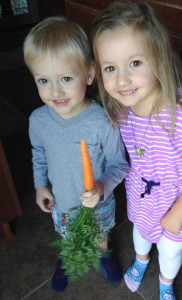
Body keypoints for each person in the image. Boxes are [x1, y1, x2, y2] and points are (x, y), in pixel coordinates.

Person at [91, 2, 182, 299]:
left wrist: (177, 214)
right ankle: (141, 260)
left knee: (171, 249)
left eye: (134, 63)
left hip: (179, 199)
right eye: (111, 68)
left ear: (159, 58)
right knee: (140, 234)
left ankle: (165, 281)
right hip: (142, 195)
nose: (122, 79)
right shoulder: (121, 110)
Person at [23, 16, 129, 292]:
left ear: (90, 74)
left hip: (99, 204)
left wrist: (101, 186)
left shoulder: (104, 122)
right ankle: (68, 258)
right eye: (43, 80)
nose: (55, 91)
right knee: (68, 238)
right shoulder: (38, 120)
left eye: (66, 78)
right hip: (61, 202)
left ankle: (104, 256)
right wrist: (40, 184)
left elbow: (119, 165)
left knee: (99, 237)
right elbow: (38, 154)